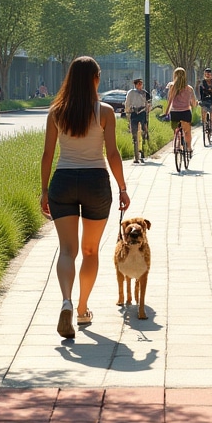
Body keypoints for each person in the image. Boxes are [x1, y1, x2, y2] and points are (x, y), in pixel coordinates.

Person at [40, 56, 129, 338]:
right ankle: (81, 308)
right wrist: (123, 188)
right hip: (95, 182)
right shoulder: (104, 112)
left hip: (63, 181)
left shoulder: (56, 112)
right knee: (90, 251)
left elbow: (47, 155)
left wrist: (44, 190)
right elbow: (112, 154)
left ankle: (65, 300)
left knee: (67, 251)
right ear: (95, 79)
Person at [163, 68, 196, 158]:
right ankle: (189, 148)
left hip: (175, 112)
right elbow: (193, 102)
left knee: (176, 129)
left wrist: (166, 113)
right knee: (187, 132)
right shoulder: (189, 88)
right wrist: (193, 106)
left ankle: (177, 144)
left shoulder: (172, 87)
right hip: (186, 112)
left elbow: (170, 101)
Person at [124, 77, 151, 163]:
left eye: (141, 84)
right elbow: (127, 103)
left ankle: (142, 153)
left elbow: (149, 103)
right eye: (138, 84)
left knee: (144, 133)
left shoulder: (145, 93)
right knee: (134, 135)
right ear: (135, 85)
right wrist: (127, 111)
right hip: (134, 113)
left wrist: (148, 109)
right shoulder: (131, 93)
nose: (140, 85)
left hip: (143, 113)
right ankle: (136, 157)